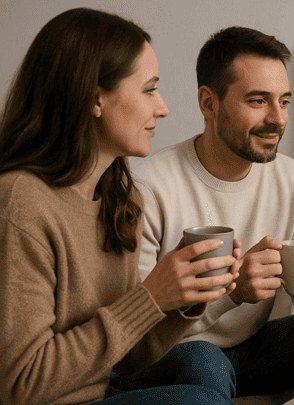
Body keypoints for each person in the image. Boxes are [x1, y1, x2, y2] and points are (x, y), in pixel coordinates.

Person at [0, 7, 242, 405]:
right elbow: (21, 385)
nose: (162, 108)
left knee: (202, 357)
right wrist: (150, 297)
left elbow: (127, 360)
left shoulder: (119, 199)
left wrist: (184, 297)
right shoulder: (21, 204)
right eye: (149, 89)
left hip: (96, 388)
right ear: (96, 98)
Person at [132, 26, 294, 397]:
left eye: (285, 101)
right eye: (258, 101)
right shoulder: (150, 186)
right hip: (173, 356)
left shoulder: (291, 179)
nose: (278, 119)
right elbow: (135, 333)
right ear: (208, 103)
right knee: (203, 361)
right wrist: (232, 293)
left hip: (253, 350)